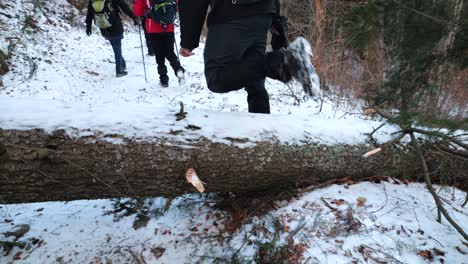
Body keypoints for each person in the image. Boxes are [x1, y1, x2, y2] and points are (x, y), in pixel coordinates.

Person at [178, 0, 318, 114]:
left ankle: (285, 61)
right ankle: (260, 136)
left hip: (232, 12)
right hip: (263, 13)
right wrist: (274, 15)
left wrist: (188, 41)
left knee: (216, 78)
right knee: (254, 78)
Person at [133, 0, 186, 87]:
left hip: (153, 29)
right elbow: (178, 5)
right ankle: (178, 69)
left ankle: (163, 79)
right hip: (168, 27)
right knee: (170, 51)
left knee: (159, 54)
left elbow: (138, 12)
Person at [85, 0, 139, 77]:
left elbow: (89, 14)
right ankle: (119, 70)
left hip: (104, 27)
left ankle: (122, 64)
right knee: (117, 47)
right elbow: (124, 7)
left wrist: (88, 27)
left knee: (115, 46)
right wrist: (133, 17)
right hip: (115, 24)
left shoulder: (93, 1)